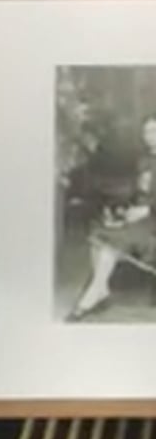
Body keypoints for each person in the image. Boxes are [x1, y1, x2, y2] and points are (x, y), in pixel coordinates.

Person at [67, 112, 156, 321]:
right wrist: (125, 210)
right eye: (146, 131)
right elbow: (139, 193)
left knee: (111, 241)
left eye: (154, 131)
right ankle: (102, 290)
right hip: (143, 218)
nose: (149, 136)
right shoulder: (145, 161)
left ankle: (92, 296)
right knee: (99, 231)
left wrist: (148, 211)